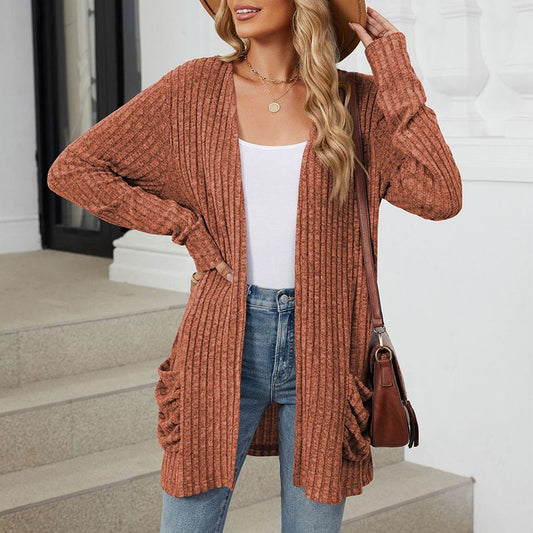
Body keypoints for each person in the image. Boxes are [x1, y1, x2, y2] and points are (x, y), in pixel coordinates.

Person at [47, 1, 463, 531]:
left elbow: (441, 195)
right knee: (188, 522)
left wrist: (395, 72)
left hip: (326, 345)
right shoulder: (194, 90)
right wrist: (183, 224)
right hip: (221, 336)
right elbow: (74, 169)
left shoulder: (356, 101)